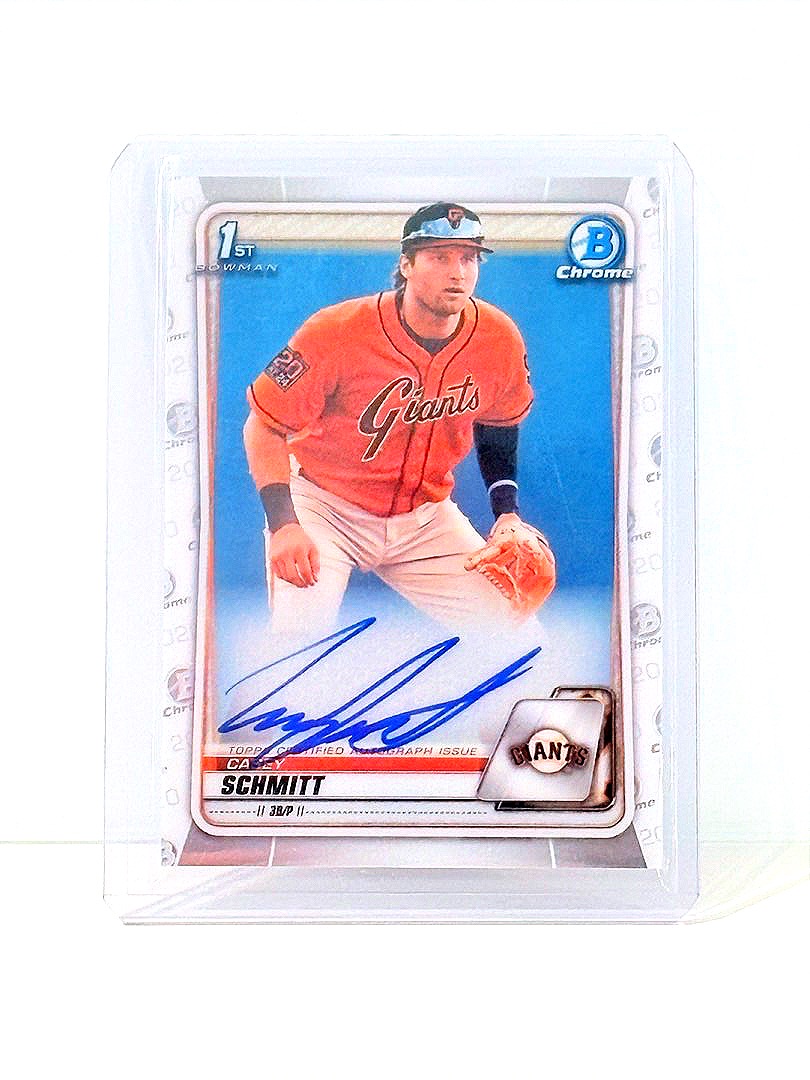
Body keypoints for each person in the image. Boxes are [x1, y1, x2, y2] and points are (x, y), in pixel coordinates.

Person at [243, 201, 553, 636]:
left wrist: (507, 514)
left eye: (468, 258)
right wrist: (284, 525)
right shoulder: (336, 330)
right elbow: (264, 425)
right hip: (325, 510)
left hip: (425, 520)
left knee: (522, 641)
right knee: (299, 644)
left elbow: (499, 423)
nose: (457, 272)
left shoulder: (498, 337)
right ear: (406, 264)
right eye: (439, 257)